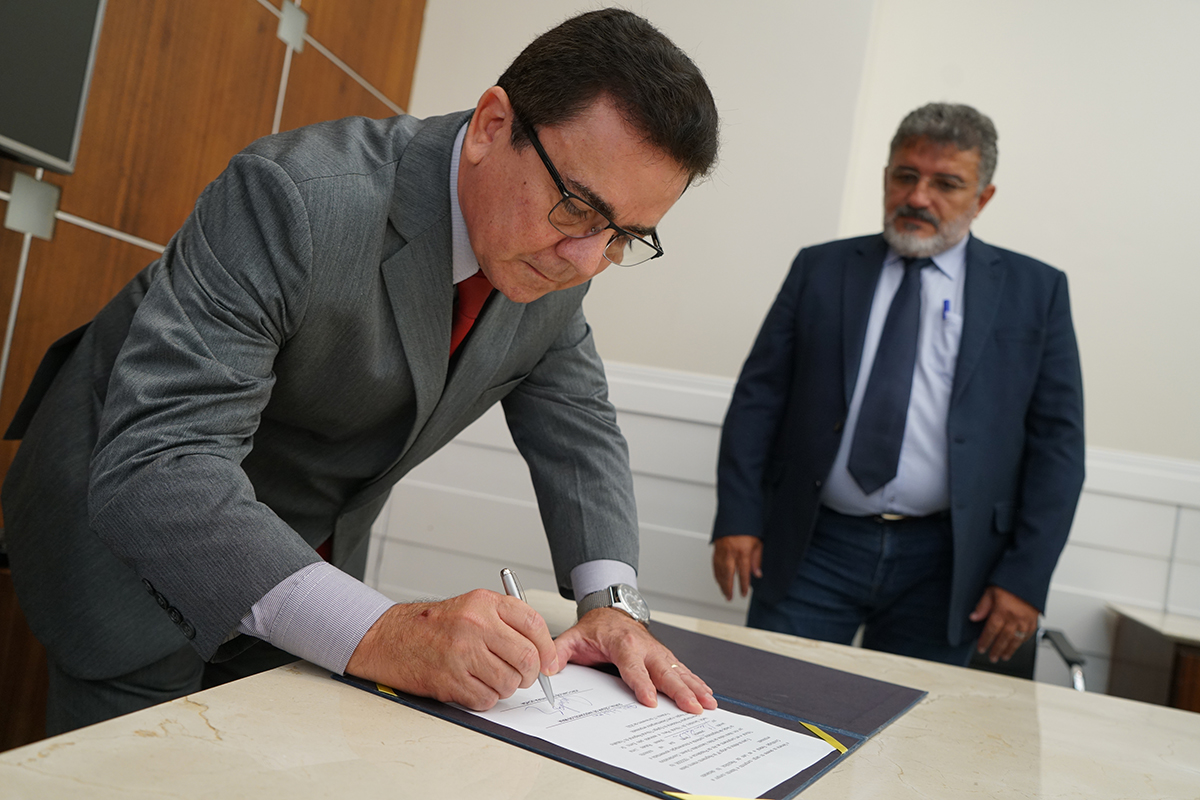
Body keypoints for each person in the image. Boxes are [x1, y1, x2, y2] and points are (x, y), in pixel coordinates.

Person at [3, 8, 721, 735]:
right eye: (577, 208)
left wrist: (613, 608)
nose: (588, 260)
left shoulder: (560, 255)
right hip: (129, 541)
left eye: (625, 236)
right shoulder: (294, 197)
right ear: (491, 127)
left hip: (300, 567)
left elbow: (581, 430)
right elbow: (163, 461)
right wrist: (385, 633)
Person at [711, 103, 1084, 666]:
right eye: (906, 176)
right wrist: (738, 516)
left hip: (952, 564)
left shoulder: (1036, 292)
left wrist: (1026, 576)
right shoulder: (821, 269)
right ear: (887, 179)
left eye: (946, 184)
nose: (918, 197)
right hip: (813, 546)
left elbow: (1058, 446)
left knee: (924, 738)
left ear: (982, 199)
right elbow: (759, 398)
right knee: (775, 704)